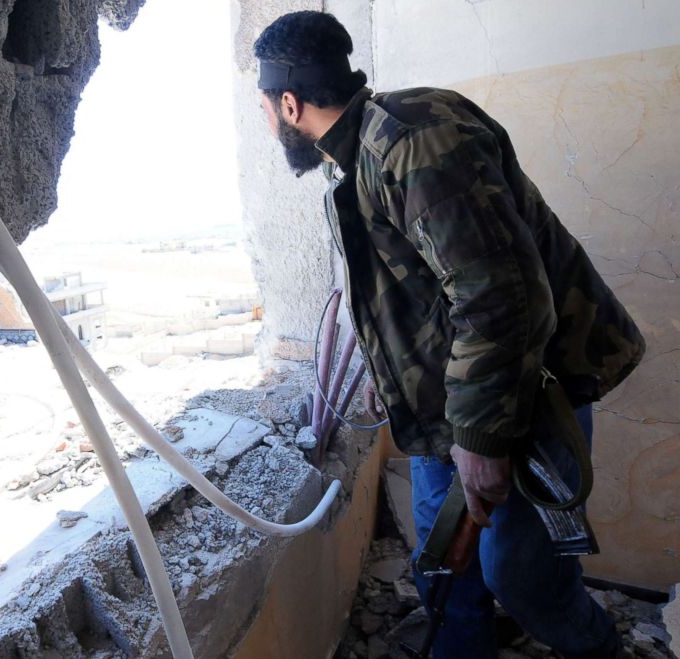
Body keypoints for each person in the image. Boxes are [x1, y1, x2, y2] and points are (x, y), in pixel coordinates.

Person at [253, 11, 645, 659]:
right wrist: (390, 380)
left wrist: (482, 439)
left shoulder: (413, 145)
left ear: (288, 104)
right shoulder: (358, 155)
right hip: (451, 398)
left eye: (264, 107)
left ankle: (598, 647)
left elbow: (499, 298)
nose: (267, 121)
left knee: (522, 575)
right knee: (443, 558)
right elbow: (415, 289)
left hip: (523, 392)